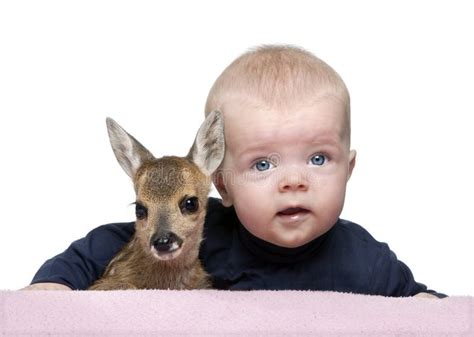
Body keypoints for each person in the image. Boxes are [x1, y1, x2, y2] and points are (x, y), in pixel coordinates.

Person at [24, 45, 445, 298]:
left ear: (349, 170)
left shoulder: (366, 260)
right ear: (222, 186)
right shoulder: (214, 234)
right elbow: (109, 244)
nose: (293, 180)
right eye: (263, 164)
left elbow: (422, 308)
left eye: (318, 159)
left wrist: (427, 302)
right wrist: (56, 284)